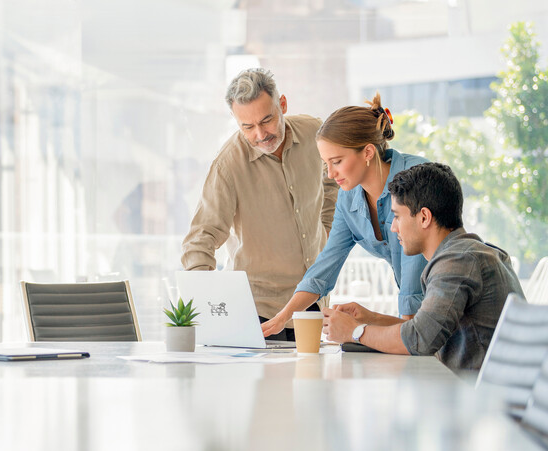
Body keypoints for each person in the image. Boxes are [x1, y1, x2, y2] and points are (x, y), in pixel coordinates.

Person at [182, 68, 339, 340]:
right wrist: (210, 309)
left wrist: (325, 229)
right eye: (247, 126)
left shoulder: (315, 132)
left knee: (313, 382)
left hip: (312, 303)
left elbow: (332, 180)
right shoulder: (228, 165)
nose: (260, 134)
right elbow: (200, 239)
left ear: (283, 105)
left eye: (267, 120)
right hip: (258, 312)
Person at [322, 163, 524, 372]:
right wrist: (371, 319)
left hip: (479, 399)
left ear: (424, 217)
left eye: (397, 216)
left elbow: (420, 339)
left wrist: (355, 332)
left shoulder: (457, 261)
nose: (393, 227)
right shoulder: (468, 252)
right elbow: (427, 329)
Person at [261, 93, 429, 338]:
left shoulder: (415, 180)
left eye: (337, 161)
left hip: (451, 306)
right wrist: (282, 318)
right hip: (423, 320)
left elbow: (414, 284)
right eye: (326, 164)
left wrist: (370, 332)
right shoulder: (349, 198)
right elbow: (324, 268)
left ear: (368, 152)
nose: (330, 174)